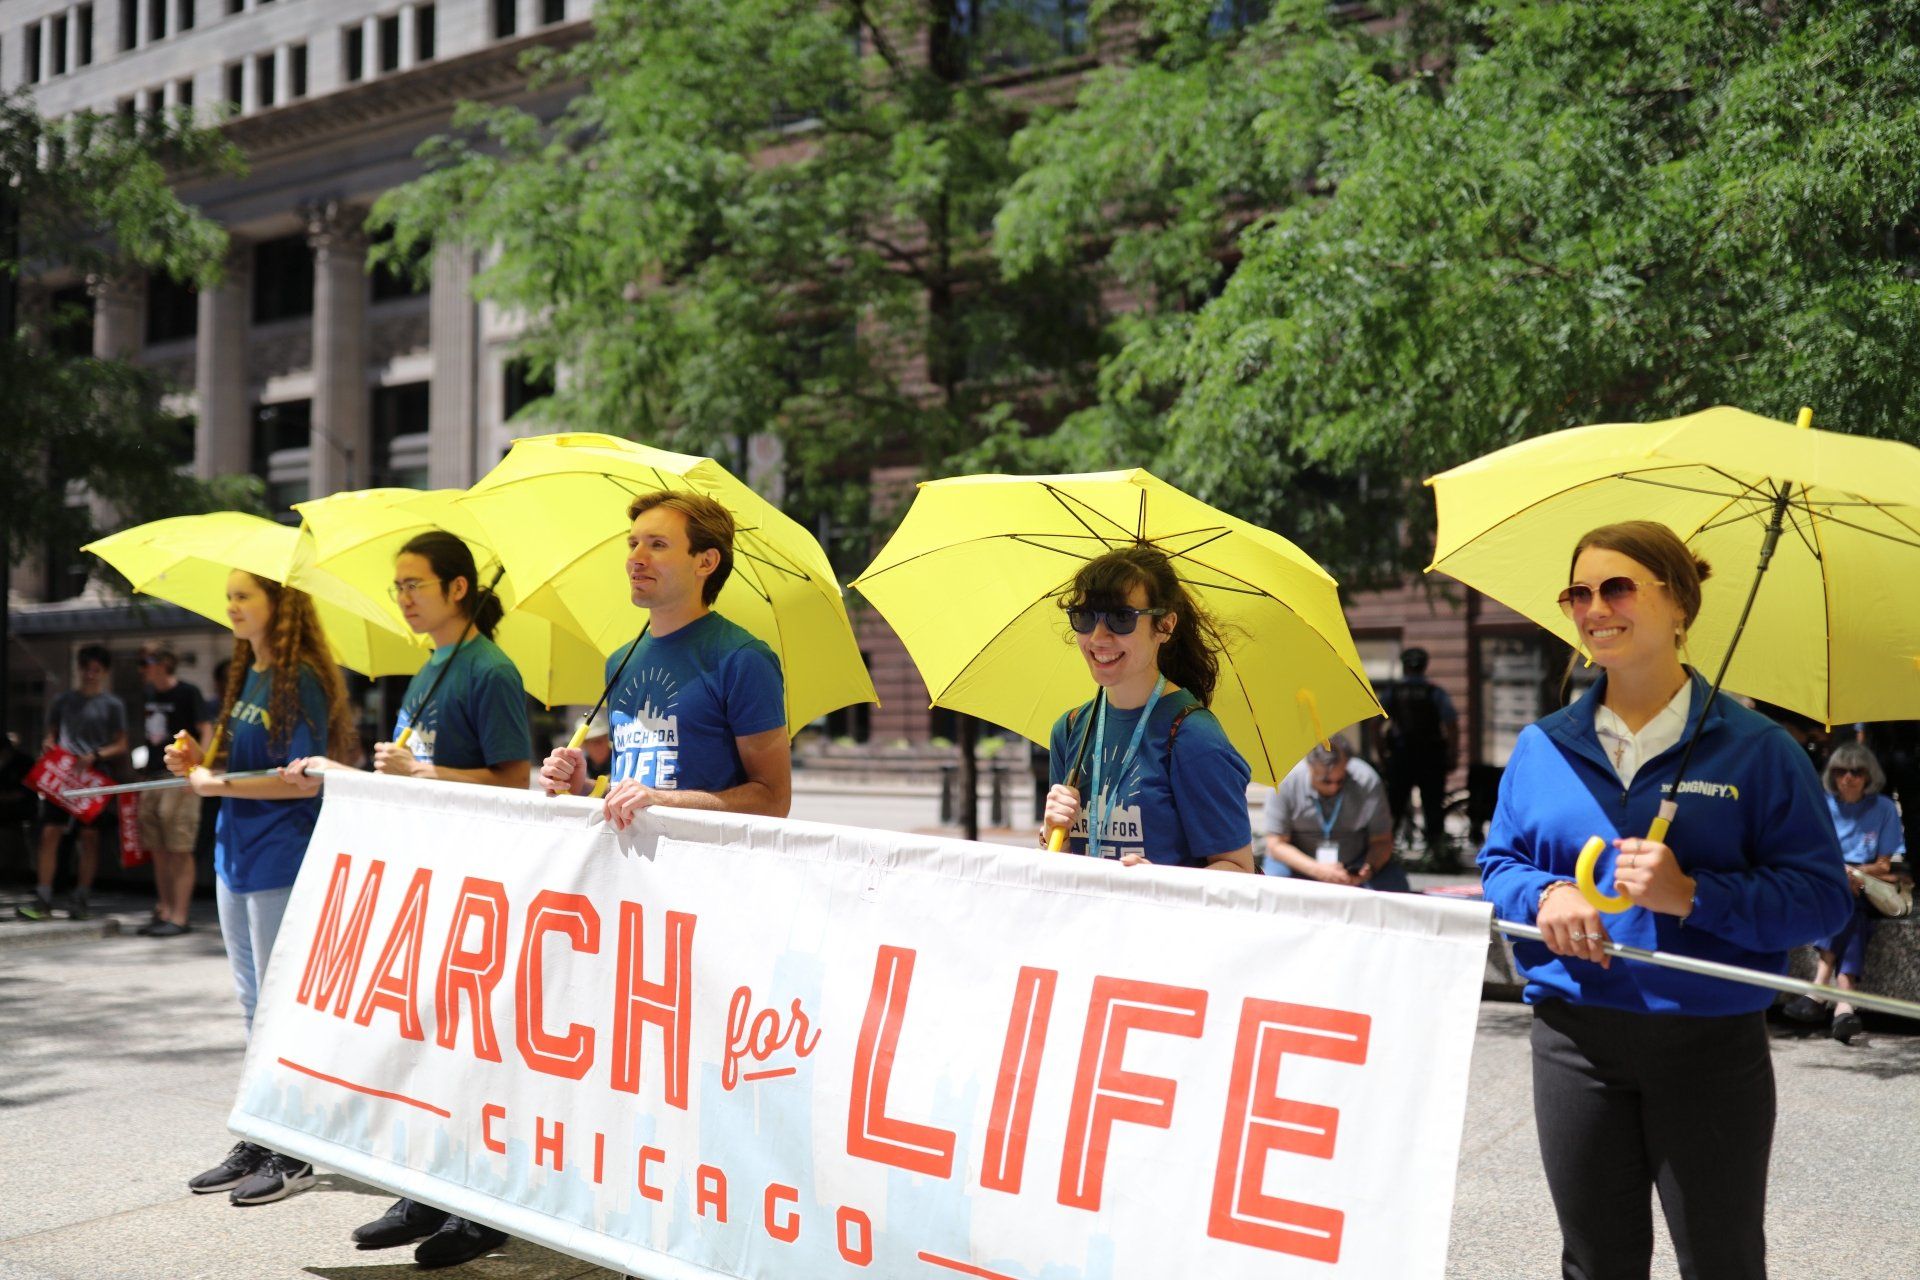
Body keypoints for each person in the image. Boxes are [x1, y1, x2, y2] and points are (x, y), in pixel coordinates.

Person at [1478, 519, 1851, 1280]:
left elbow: (1821, 903)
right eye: (1577, 593)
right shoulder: (1541, 744)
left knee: (1722, 1261)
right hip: (1573, 1038)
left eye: (1617, 587)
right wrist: (1545, 892)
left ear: (1678, 604)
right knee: (1595, 1264)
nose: (1593, 608)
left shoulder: (1760, 749)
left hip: (1710, 1044)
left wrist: (1695, 893)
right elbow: (1498, 862)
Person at [285, 530, 532, 1267]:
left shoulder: (489, 669)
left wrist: (421, 774)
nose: (403, 597)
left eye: (415, 584)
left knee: (469, 1049)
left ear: (459, 588)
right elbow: (414, 768)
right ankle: (424, 1190)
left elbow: (513, 782)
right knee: (425, 1042)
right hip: (427, 875)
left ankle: (479, 1207)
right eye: (398, 586)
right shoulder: (429, 667)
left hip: (477, 879)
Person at [164, 570, 357, 1209]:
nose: (232, 606)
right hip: (234, 856)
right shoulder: (248, 671)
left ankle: (293, 1149)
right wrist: (195, 763)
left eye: (245, 594)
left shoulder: (299, 676)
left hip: (280, 856)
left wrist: (212, 785)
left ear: (282, 602)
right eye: (229, 596)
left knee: (279, 1008)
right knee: (253, 1006)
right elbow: (233, 767)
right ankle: (259, 1130)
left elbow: (301, 780)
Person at [540, 490, 791, 825]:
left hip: (700, 871)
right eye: (633, 544)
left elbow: (773, 800)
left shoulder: (743, 659)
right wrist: (583, 787)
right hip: (627, 870)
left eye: (657, 545)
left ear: (706, 562)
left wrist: (661, 801)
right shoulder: (619, 661)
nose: (636, 558)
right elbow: (633, 789)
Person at [1038, 545, 1254, 872]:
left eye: (1121, 618)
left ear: (1165, 626)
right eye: (1085, 617)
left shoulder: (1193, 735)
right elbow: (1062, 871)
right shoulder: (1069, 730)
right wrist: (1055, 837)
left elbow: (1238, 868)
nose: (1098, 637)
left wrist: (1159, 882)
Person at [1782, 742, 1907, 1044]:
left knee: (1850, 899)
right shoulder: (1823, 804)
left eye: (1856, 772)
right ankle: (1844, 1003)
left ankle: (1819, 989)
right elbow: (1809, 853)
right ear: (1832, 775)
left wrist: (1853, 872)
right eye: (1840, 771)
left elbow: (1884, 863)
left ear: (1869, 776)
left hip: (1866, 884)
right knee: (1848, 903)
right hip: (1828, 881)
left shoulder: (1884, 808)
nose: (1848, 778)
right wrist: (1840, 874)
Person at [20, 644, 129, 921]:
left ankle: (81, 897)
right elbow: (51, 735)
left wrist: (95, 756)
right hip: (63, 774)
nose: (90, 675)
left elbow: (122, 744)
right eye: (86, 669)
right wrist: (49, 747)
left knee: (89, 838)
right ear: (79, 669)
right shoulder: (63, 700)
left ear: (104, 673)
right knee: (49, 833)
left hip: (94, 776)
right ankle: (44, 896)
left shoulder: (112, 705)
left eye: (96, 670)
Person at [1262, 738, 1408, 891]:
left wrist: (1368, 869)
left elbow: (1382, 840)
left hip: (1354, 863)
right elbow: (1276, 844)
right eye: (1326, 781)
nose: (1333, 788)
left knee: (1395, 886)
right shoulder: (1286, 783)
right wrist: (1318, 870)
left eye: (1340, 780)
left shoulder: (1367, 781)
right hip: (1299, 863)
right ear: (1310, 767)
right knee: (1273, 885)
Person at [135, 642, 211, 936]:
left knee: (179, 847)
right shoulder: (149, 694)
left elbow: (206, 729)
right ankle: (165, 909)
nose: (142, 669)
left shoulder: (187, 692)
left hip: (179, 778)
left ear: (163, 662)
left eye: (146, 662)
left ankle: (180, 916)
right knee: (158, 847)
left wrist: (196, 769)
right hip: (152, 775)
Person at [1378, 646, 1459, 865]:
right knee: (1433, 805)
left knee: (1394, 806)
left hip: (1402, 756)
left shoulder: (1393, 692)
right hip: (1431, 756)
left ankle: (1385, 853)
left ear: (1404, 666)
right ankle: (1436, 853)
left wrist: (1381, 753)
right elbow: (1451, 723)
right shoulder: (1434, 691)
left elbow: (1375, 723)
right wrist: (1453, 753)